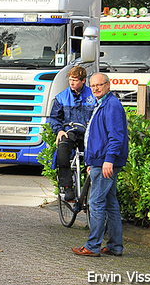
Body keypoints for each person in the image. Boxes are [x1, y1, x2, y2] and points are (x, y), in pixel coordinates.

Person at [72, 73, 129, 257]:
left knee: (95, 202)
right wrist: (91, 160)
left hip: (106, 162)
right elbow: (96, 136)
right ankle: (114, 246)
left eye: (100, 85)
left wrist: (108, 160)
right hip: (100, 161)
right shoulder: (103, 103)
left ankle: (92, 246)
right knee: (111, 203)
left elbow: (116, 136)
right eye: (93, 85)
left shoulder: (112, 105)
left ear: (108, 85)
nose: (96, 88)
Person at [48, 65, 97, 201]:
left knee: (94, 155)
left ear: (83, 81)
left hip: (88, 134)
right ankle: (67, 187)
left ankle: (93, 188)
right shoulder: (61, 97)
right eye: (70, 79)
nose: (72, 83)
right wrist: (59, 130)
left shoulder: (93, 96)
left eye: (75, 80)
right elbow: (53, 118)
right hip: (69, 133)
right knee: (62, 150)